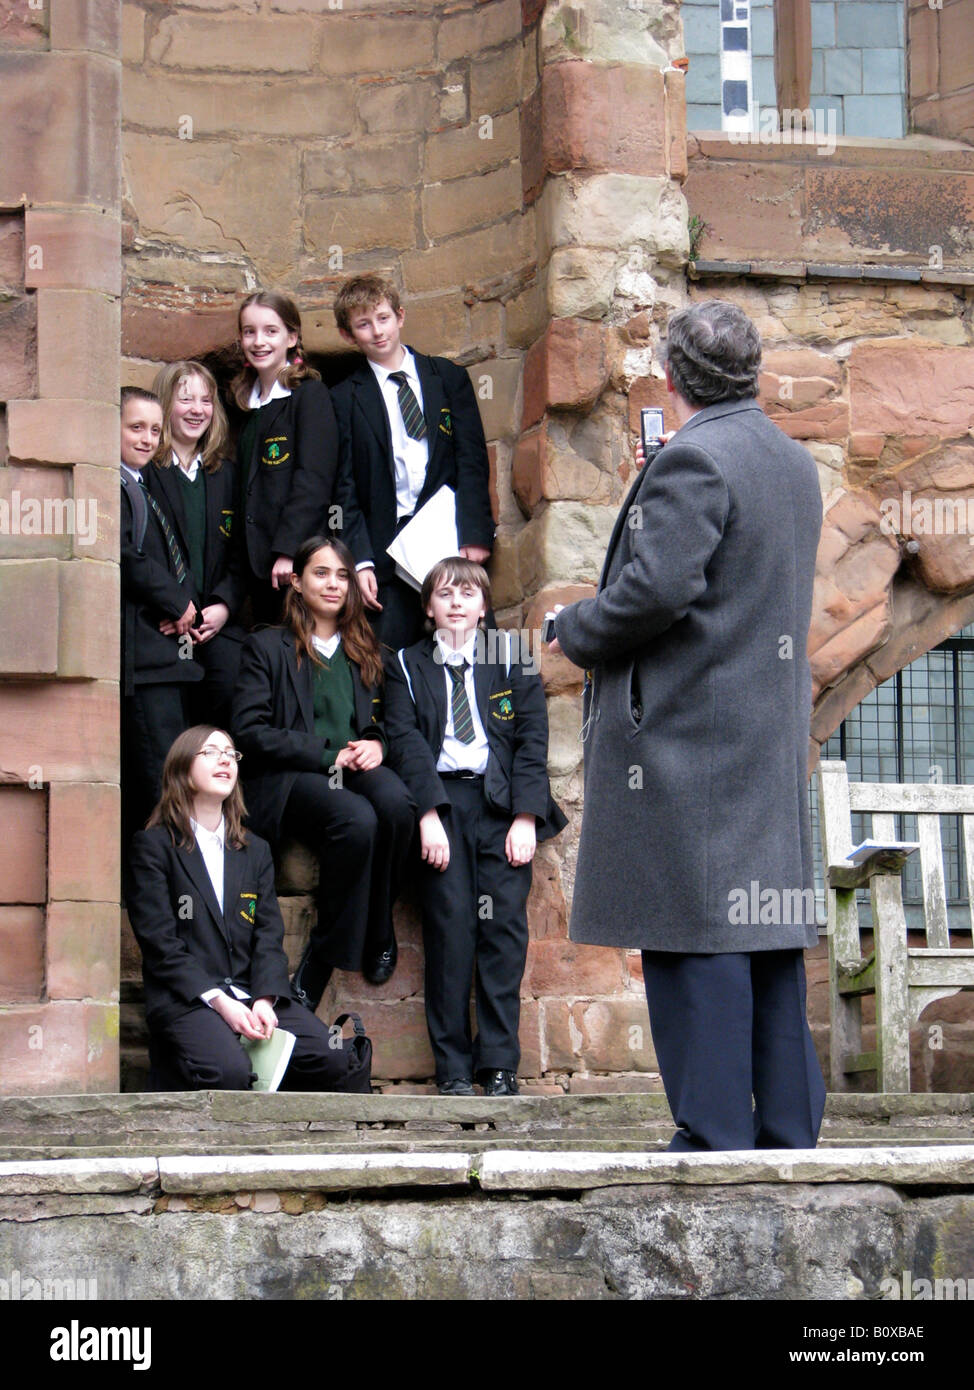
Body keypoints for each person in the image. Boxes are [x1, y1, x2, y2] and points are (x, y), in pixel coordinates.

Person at [552, 299, 826, 1151]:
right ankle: (787, 1127)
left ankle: (711, 1135)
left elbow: (658, 593)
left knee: (692, 928)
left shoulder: (695, 460)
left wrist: (575, 627)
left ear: (671, 377)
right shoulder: (794, 462)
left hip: (691, 736)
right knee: (766, 931)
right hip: (765, 730)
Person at [385, 558, 566, 1096]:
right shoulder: (405, 664)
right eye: (444, 593)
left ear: (483, 605)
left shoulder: (509, 656)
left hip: (501, 804)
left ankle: (498, 1065)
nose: (457, 602)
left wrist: (525, 817)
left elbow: (533, 740)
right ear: (428, 608)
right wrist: (427, 815)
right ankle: (455, 1069)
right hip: (443, 804)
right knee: (450, 931)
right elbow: (405, 743)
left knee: (503, 935)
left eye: (467, 592)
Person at [232, 536, 415, 1004]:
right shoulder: (267, 646)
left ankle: (379, 926)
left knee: (396, 805)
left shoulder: (370, 649)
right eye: (320, 572)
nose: (333, 584)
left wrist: (377, 743)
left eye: (342, 575)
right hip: (294, 776)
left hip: (356, 767)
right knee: (357, 819)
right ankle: (325, 953)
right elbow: (248, 732)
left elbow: (389, 721)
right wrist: (324, 754)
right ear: (295, 580)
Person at [127, 725, 358, 1091]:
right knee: (230, 1074)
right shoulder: (153, 847)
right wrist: (220, 1002)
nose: (225, 760)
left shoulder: (255, 850)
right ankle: (182, 1065)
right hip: (189, 1000)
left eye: (231, 754)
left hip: (254, 995)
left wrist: (266, 999)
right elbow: (161, 945)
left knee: (336, 1060)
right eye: (211, 752)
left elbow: (268, 938)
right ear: (181, 769)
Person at [331, 273, 495, 651]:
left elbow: (471, 459)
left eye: (383, 318)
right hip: (385, 549)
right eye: (363, 324)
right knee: (387, 657)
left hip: (447, 538)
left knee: (472, 649)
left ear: (400, 316)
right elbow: (344, 484)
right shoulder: (342, 398)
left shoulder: (448, 377)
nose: (377, 331)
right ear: (347, 335)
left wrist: (474, 532)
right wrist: (360, 560)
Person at [120, 386, 202, 856]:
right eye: (136, 427)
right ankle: (157, 883)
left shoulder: (149, 485)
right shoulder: (114, 485)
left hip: (171, 654)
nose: (148, 438)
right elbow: (129, 556)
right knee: (158, 780)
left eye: (155, 429)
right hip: (145, 660)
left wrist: (184, 607)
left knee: (173, 771)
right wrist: (177, 603)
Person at [147, 360, 246, 729]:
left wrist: (223, 606)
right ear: (163, 404)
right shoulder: (146, 471)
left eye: (206, 401)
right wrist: (176, 605)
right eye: (185, 399)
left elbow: (241, 551)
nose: (197, 410)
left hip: (216, 623)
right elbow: (142, 551)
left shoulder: (226, 474)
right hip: (162, 623)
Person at [231, 290, 340, 624]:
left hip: (293, 564)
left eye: (270, 331)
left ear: (292, 337)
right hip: (252, 565)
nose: (258, 341)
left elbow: (314, 480)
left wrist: (288, 550)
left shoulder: (309, 395)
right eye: (249, 331)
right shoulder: (241, 404)